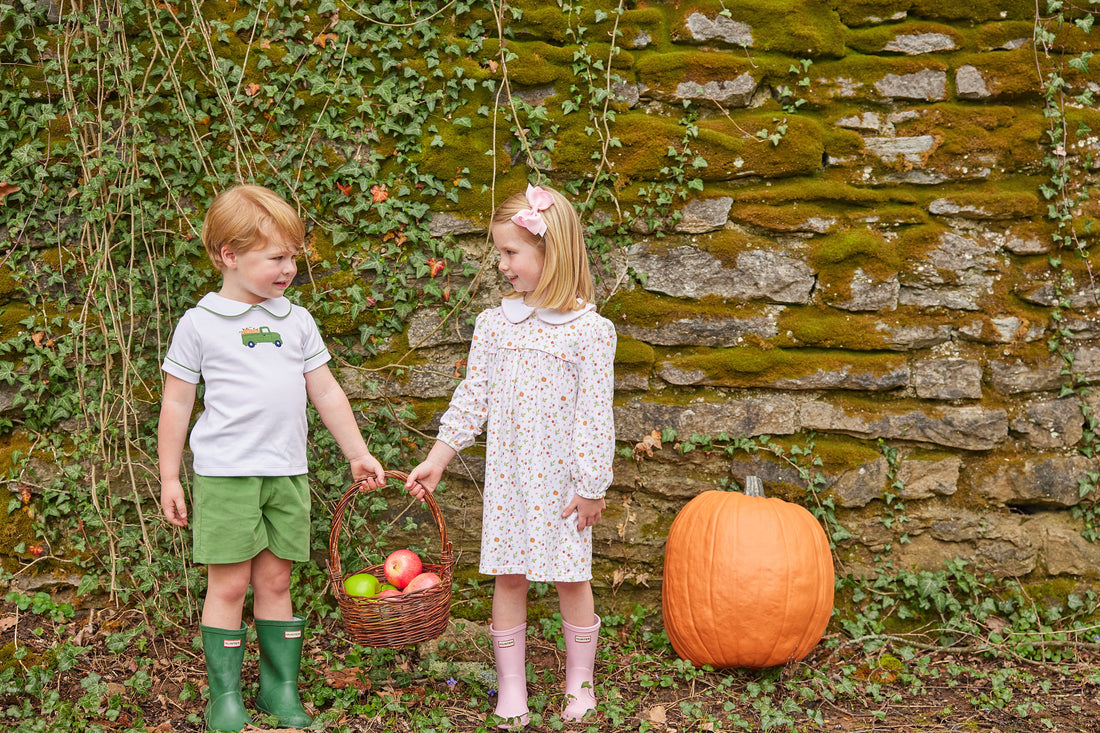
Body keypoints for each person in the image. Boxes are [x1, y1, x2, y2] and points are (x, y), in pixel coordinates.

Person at [157, 184, 385, 732]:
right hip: (226, 477)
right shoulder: (200, 324)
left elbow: (325, 391)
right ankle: (226, 698)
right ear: (229, 256)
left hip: (287, 473)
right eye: (276, 258)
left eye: (293, 256)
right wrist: (169, 475)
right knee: (229, 585)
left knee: (276, 582)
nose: (289, 268)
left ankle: (279, 689)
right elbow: (176, 401)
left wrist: (357, 452)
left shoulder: (296, 320)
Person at [405, 183, 616, 727]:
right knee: (510, 578)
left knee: (572, 579)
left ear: (552, 254)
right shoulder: (495, 326)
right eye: (500, 252)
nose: (501, 265)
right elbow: (473, 397)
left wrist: (592, 486)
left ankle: (580, 685)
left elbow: (596, 415)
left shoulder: (590, 333)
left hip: (565, 485)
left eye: (510, 253)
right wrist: (439, 457)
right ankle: (512, 689)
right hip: (509, 481)